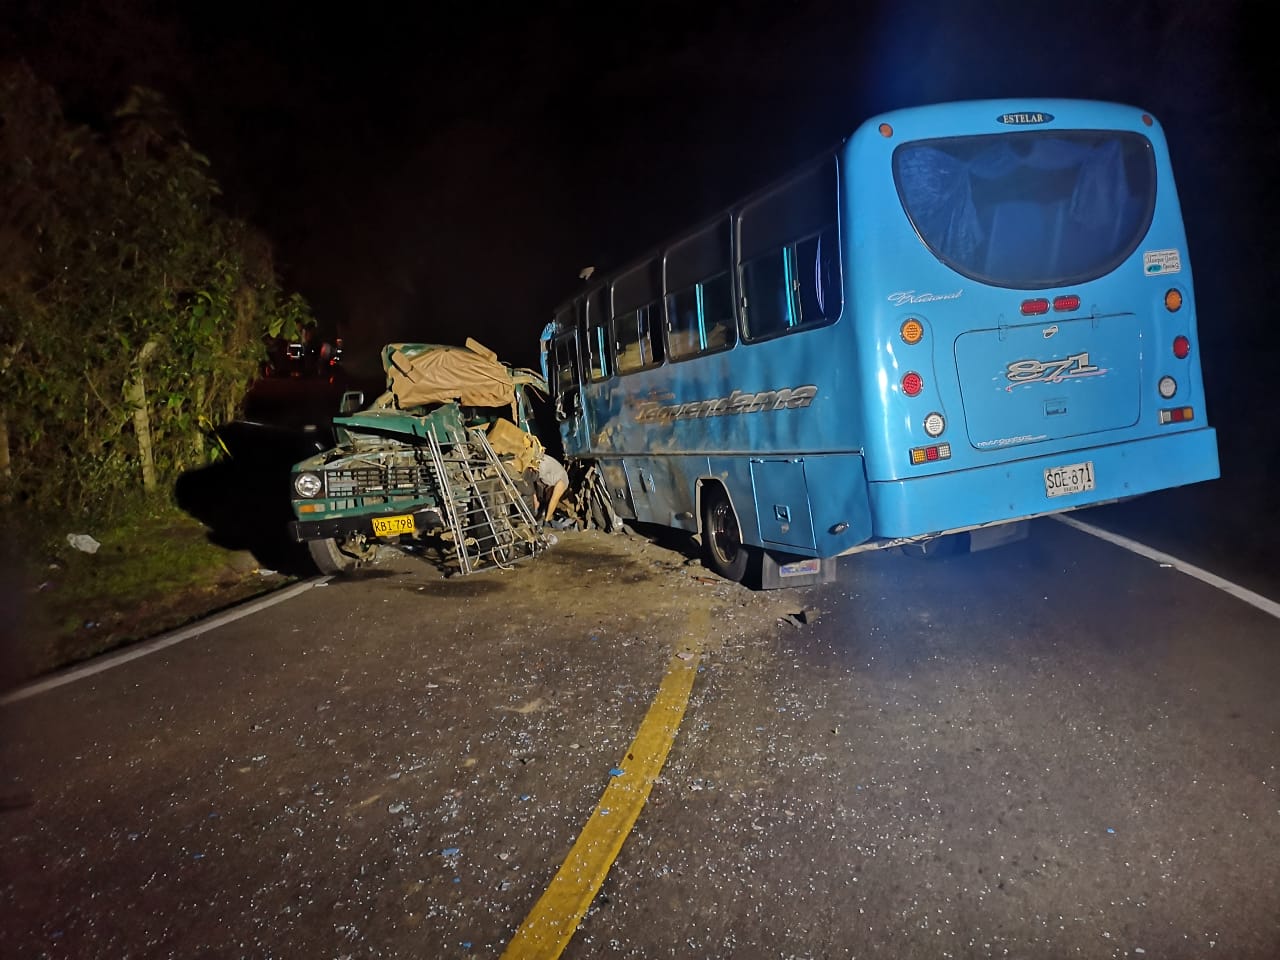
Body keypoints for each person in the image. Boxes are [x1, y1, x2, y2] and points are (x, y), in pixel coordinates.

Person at [533, 452, 571, 528]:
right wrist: (547, 519)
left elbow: (553, 500)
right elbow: (553, 500)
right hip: (539, 462)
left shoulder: (556, 482)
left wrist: (535, 500)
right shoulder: (563, 482)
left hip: (539, 463)